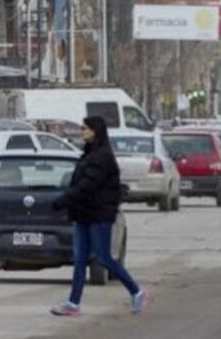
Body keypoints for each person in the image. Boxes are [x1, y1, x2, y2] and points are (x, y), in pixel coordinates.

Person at [50, 116, 149, 317]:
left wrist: (62, 201)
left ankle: (136, 291)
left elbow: (86, 186)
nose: (81, 131)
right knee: (79, 260)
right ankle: (73, 303)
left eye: (85, 128)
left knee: (103, 258)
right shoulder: (90, 154)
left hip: (99, 215)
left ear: (96, 131)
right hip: (84, 214)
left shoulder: (102, 156)